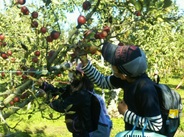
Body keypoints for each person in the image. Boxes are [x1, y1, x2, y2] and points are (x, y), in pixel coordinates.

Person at [79, 42, 164, 135]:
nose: (111, 65)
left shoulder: (146, 89)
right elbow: (102, 81)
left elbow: (156, 124)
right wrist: (85, 61)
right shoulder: (126, 79)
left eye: (113, 64)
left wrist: (126, 113)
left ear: (123, 74)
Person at [38, 66, 112, 137]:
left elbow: (61, 107)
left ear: (80, 76)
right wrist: (43, 85)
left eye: (74, 74)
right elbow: (59, 92)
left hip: (85, 133)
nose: (71, 77)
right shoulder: (79, 89)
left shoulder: (81, 94)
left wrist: (46, 97)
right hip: (82, 130)